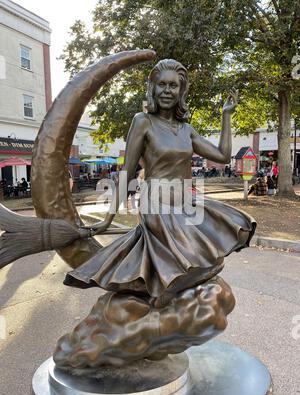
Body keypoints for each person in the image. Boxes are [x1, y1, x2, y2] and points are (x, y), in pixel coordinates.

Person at [64, 59, 256, 308]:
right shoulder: (142, 121)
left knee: (222, 244)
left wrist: (226, 116)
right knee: (185, 262)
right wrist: (109, 217)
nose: (167, 91)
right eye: (161, 85)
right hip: (156, 203)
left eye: (173, 86)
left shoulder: (187, 129)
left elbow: (222, 155)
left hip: (186, 202)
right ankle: (160, 298)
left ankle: (163, 297)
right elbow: (128, 170)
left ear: (181, 91)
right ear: (152, 89)